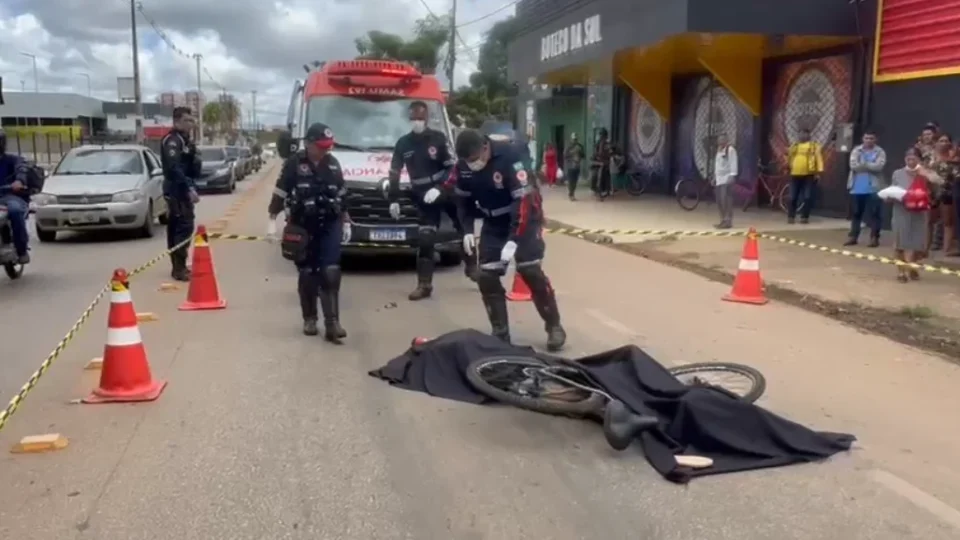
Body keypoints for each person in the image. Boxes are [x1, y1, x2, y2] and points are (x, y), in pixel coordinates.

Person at [453, 129, 566, 351]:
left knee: (530, 270)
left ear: (485, 147)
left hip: (523, 218)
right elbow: (462, 201)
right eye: (467, 161)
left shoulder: (510, 157)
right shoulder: (464, 166)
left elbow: (523, 202)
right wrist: (466, 230)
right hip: (493, 222)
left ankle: (554, 326)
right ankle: (500, 333)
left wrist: (514, 239)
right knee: (487, 276)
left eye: (475, 159)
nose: (473, 164)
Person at [268, 122, 351, 340]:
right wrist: (272, 219)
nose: (325, 150)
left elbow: (342, 194)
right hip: (302, 224)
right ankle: (310, 318)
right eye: (321, 146)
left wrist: (346, 221)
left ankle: (333, 324)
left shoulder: (333, 164)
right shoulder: (294, 163)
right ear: (309, 143)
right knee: (308, 273)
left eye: (328, 146)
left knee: (330, 271)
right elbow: (280, 191)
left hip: (329, 223)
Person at [386, 101, 473, 300]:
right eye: (414, 118)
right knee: (426, 239)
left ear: (426, 118)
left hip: (445, 190)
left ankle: (472, 266)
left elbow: (451, 168)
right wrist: (394, 198)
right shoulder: (403, 143)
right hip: (422, 195)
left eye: (420, 118)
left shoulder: (438, 138)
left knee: (463, 227)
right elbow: (394, 171)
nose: (417, 121)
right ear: (409, 118)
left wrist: (440, 188)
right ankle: (424, 285)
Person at [889, 147, 942, 282]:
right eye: (908, 158)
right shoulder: (897, 173)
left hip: (919, 211)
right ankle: (901, 272)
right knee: (899, 243)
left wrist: (925, 174)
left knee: (917, 244)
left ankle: (913, 267)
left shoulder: (925, 172)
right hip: (901, 210)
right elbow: (893, 189)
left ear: (919, 159)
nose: (911, 161)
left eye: (914, 158)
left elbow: (939, 182)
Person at [160, 107, 201, 281]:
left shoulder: (186, 141)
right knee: (183, 227)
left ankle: (179, 266)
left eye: (192, 120)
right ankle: (179, 268)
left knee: (181, 226)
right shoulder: (172, 141)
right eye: (186, 120)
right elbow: (173, 167)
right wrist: (189, 188)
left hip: (183, 188)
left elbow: (190, 167)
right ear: (176, 122)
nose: (190, 124)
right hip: (176, 189)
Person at [844, 130, 886, 247]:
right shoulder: (856, 150)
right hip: (857, 187)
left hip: (874, 187)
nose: (868, 140)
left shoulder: (880, 152)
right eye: (866, 138)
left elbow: (879, 166)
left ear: (875, 139)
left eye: (871, 138)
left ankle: (874, 238)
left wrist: (863, 164)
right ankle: (853, 237)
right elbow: (853, 166)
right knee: (856, 213)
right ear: (863, 139)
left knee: (875, 214)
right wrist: (869, 164)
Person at [0, 128, 31, 263]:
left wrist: (19, 181)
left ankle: (21, 249)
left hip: (10, 196)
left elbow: (21, 168)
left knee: (15, 210)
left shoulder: (12, 160)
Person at [786, 127, 824, 224]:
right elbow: (789, 157)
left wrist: (818, 172)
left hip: (809, 175)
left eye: (804, 133)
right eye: (800, 133)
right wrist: (787, 167)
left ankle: (804, 217)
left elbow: (818, 158)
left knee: (807, 196)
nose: (802, 135)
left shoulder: (814, 146)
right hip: (795, 174)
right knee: (792, 196)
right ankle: (791, 216)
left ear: (809, 135)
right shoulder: (794, 146)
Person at [931, 133, 960, 256]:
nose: (943, 143)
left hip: (948, 192)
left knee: (948, 222)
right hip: (932, 192)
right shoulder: (930, 156)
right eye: (941, 141)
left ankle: (946, 249)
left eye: (946, 141)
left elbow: (955, 175)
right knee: (930, 221)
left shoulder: (954, 160)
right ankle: (925, 248)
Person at [712, 134, 738, 229]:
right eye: (719, 139)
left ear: (726, 140)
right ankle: (722, 220)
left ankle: (728, 221)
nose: (720, 141)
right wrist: (715, 177)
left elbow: (733, 162)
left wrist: (732, 175)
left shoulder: (730, 150)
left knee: (726, 200)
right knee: (719, 200)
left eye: (722, 139)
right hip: (719, 179)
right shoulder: (719, 150)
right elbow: (717, 164)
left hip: (726, 178)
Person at [591, 128, 612, 201]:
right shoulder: (601, 143)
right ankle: (600, 193)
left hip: (603, 163)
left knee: (602, 179)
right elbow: (596, 153)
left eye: (601, 135)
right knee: (600, 178)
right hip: (601, 163)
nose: (601, 136)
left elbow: (608, 153)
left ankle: (602, 193)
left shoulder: (605, 143)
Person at [564, 133, 584, 201]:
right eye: (573, 139)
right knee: (571, 181)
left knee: (575, 181)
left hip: (577, 166)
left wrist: (580, 152)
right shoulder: (568, 147)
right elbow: (565, 156)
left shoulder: (580, 146)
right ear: (571, 139)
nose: (574, 140)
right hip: (570, 166)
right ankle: (571, 194)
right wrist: (572, 153)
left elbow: (583, 155)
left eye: (576, 139)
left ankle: (572, 193)